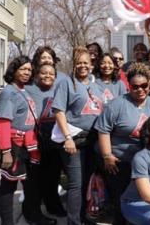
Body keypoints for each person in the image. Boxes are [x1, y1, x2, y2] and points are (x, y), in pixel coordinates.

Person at [95, 63, 150, 225]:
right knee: (121, 200)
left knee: (143, 201)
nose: (140, 89)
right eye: (135, 86)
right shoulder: (117, 104)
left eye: (144, 86)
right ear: (129, 86)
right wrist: (107, 156)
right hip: (119, 162)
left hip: (145, 164)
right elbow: (103, 130)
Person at [0, 56, 56, 225]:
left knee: (31, 184)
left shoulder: (23, 90)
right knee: (9, 185)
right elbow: (2, 123)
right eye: (22, 69)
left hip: (29, 145)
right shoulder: (9, 92)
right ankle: (7, 222)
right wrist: (6, 151)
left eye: (29, 70)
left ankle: (34, 215)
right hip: (14, 145)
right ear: (13, 70)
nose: (26, 72)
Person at [52, 47, 104, 225]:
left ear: (91, 65)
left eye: (86, 63)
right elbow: (58, 111)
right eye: (79, 63)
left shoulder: (96, 86)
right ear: (74, 65)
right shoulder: (67, 83)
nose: (83, 66)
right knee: (76, 184)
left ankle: (84, 217)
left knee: (87, 181)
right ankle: (73, 221)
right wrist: (67, 137)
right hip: (74, 140)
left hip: (93, 140)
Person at [26, 63, 66, 218]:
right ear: (37, 75)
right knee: (35, 178)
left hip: (55, 138)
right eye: (44, 73)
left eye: (51, 73)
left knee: (53, 175)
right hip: (35, 138)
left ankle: (53, 205)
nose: (48, 76)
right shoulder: (29, 89)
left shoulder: (59, 89)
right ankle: (32, 210)